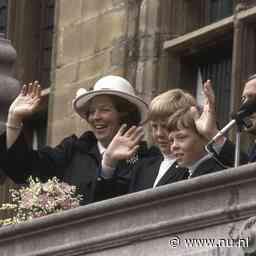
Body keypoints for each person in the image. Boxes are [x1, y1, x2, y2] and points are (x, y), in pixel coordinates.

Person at [0, 75, 150, 204]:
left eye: (104, 110)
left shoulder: (144, 158)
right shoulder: (74, 150)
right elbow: (23, 169)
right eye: (91, 111)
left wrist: (107, 167)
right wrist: (14, 119)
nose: (95, 117)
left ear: (124, 115)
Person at [101, 89, 197, 193]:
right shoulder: (142, 167)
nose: (159, 134)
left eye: (165, 126)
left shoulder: (194, 165)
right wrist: (108, 162)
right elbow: (110, 202)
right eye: (154, 126)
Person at [167, 107, 225, 177]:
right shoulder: (184, 174)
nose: (174, 146)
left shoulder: (215, 175)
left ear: (205, 137)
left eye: (181, 138)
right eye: (171, 141)